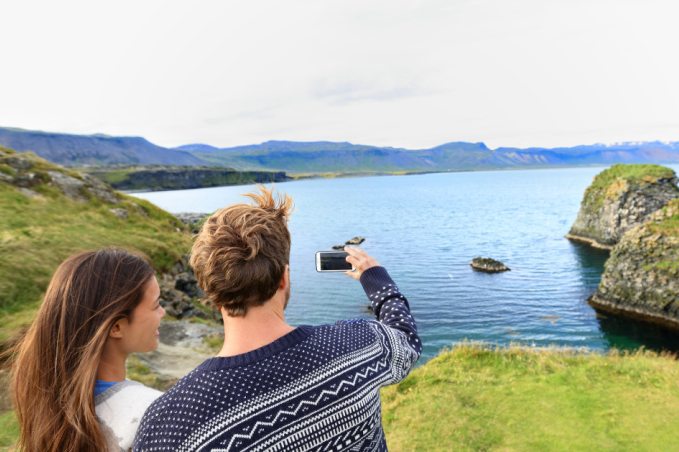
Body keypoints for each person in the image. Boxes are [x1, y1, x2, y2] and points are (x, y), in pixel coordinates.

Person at [133, 186, 421, 451]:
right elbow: (405, 339)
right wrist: (376, 279)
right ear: (283, 278)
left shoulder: (166, 425)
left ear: (208, 287)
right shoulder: (359, 345)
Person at [10, 248, 166, 452]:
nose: (163, 313)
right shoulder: (153, 410)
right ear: (116, 327)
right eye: (156, 306)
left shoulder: (45, 398)